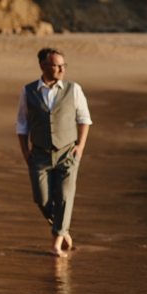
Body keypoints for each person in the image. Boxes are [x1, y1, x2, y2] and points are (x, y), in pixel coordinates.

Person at [16, 48, 92, 258]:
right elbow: (22, 124)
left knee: (65, 198)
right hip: (38, 154)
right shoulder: (28, 91)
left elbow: (84, 119)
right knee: (41, 199)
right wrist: (25, 151)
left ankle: (56, 243)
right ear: (42, 66)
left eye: (63, 65)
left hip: (68, 152)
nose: (60, 69)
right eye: (55, 65)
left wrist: (80, 147)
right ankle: (63, 229)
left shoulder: (73, 89)